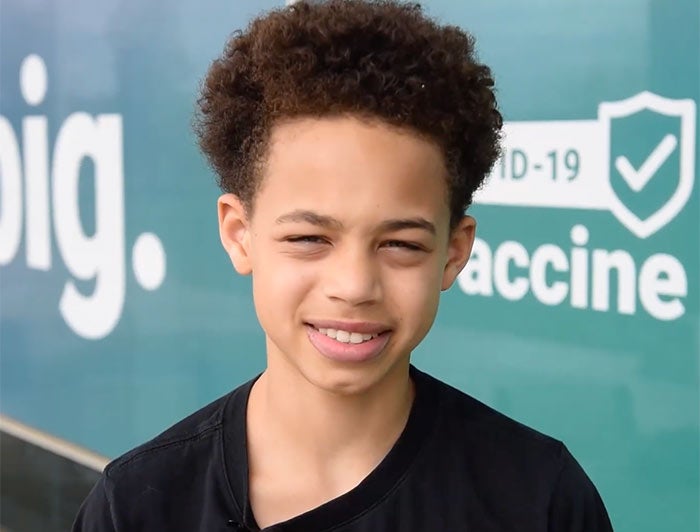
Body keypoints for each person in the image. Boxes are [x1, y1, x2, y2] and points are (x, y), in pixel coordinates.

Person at [73, 1, 613, 530]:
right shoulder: (139, 507)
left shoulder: (539, 501)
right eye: (309, 238)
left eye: (400, 244)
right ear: (240, 234)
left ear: (454, 251)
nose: (354, 286)